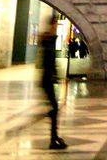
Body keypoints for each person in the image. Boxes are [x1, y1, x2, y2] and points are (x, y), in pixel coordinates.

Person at [40, 16, 68, 150]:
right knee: (55, 109)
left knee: (55, 109)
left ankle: (55, 137)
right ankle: (53, 139)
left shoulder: (49, 39)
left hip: (49, 79)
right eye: (55, 24)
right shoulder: (48, 40)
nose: (56, 26)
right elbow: (47, 62)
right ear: (52, 24)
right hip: (47, 80)